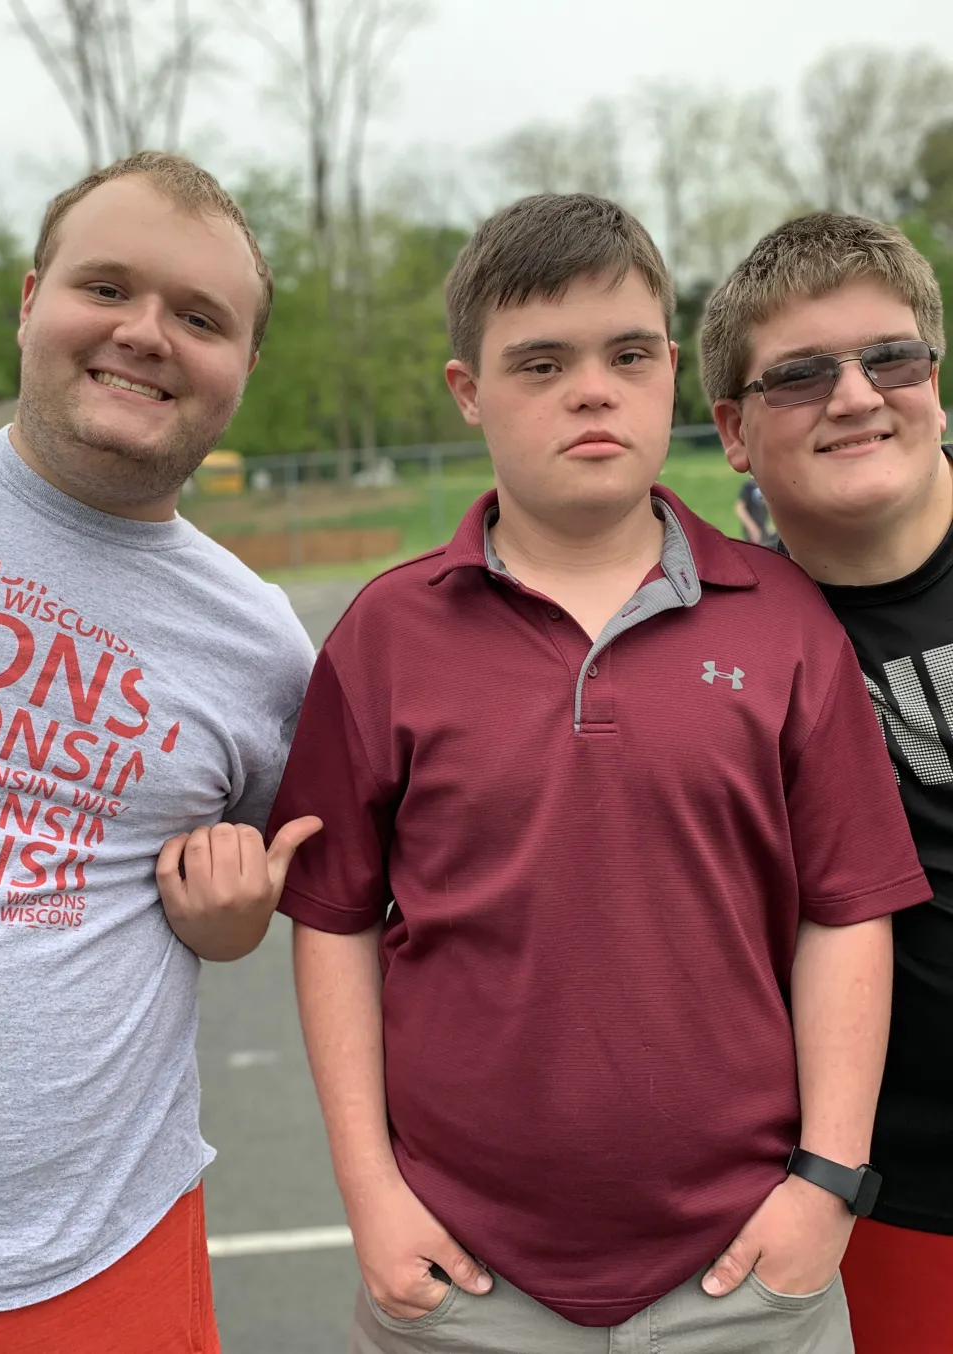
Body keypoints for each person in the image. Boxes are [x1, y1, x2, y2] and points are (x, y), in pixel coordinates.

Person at [267, 193, 930, 1354]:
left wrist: (824, 1182)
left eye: (626, 354)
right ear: (466, 392)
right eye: (540, 362)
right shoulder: (380, 637)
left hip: (744, 1274)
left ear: (671, 372)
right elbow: (333, 922)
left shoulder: (783, 620)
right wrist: (371, 1196)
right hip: (464, 1282)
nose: (590, 388)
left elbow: (847, 912)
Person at [0, 151, 320, 1354]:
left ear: (244, 368)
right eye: (105, 286)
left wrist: (230, 916)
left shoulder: (261, 644)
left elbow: (266, 891)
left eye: (200, 316)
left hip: (95, 1255)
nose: (145, 333)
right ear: (28, 302)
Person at [701, 211, 953, 1354]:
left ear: (933, 384)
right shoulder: (702, 640)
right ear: (732, 431)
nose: (855, 396)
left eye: (888, 357)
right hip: (882, 1202)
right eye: (800, 375)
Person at [735, 474, 779, 548]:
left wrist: (768, 525)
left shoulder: (764, 485)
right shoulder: (748, 485)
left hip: (764, 533)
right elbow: (740, 508)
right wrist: (752, 528)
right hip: (752, 534)